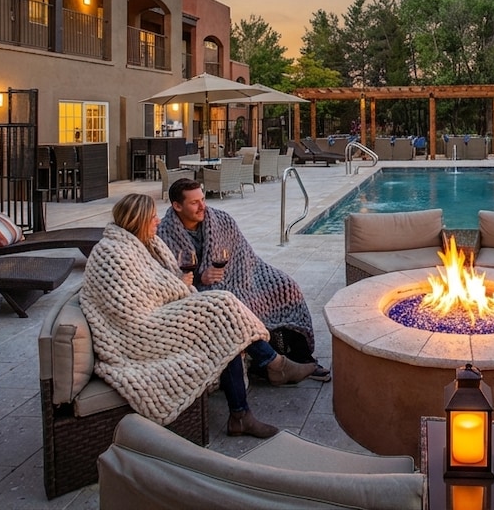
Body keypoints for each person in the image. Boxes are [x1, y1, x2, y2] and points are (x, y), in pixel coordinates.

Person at [81, 193, 314, 440]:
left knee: (225, 326)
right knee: (221, 308)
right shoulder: (111, 252)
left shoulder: (144, 244)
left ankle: (243, 412)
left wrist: (177, 284)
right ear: (136, 220)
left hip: (160, 313)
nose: (157, 221)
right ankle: (274, 367)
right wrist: (178, 285)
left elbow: (156, 284)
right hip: (140, 330)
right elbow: (131, 304)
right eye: (151, 217)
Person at [160, 178, 331, 382]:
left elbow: (243, 255)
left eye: (203, 199)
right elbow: (167, 278)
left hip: (240, 276)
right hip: (202, 291)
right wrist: (199, 278)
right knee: (235, 307)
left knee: (285, 285)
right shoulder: (164, 234)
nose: (202, 206)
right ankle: (268, 364)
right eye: (194, 202)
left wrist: (242, 277)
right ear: (177, 206)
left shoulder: (221, 220)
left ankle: (302, 357)